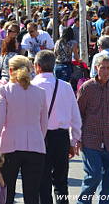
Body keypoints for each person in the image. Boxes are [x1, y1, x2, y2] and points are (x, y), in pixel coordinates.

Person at [0, 55, 48, 204]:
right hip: (35, 146)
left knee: (7, 193)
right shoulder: (40, 92)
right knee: (32, 194)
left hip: (10, 146)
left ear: (10, 70)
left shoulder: (3, 90)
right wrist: (37, 137)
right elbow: (44, 124)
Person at [31, 50, 82, 204]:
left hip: (40, 137)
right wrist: (73, 142)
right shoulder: (66, 87)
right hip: (61, 137)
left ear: (37, 66)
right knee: (61, 182)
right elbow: (76, 118)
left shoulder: (31, 87)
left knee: (42, 182)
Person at [76, 55, 109, 204]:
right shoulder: (87, 88)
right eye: (102, 67)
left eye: (108, 68)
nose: (105, 71)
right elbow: (78, 113)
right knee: (93, 176)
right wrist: (77, 138)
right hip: (90, 139)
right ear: (96, 68)